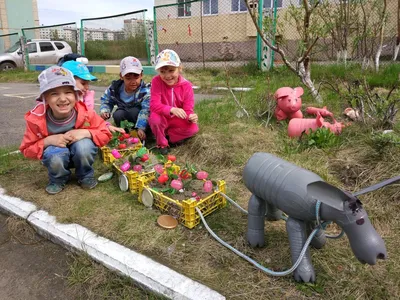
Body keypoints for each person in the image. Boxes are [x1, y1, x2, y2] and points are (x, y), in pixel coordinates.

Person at [20, 66, 112, 195]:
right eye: (54, 93)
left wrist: (86, 133)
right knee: (54, 153)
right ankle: (58, 178)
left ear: (76, 95)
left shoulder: (85, 113)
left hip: (80, 153)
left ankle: (85, 175)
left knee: (84, 145)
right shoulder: (37, 120)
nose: (63, 99)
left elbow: (106, 133)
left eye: (68, 92)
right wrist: (47, 141)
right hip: (57, 156)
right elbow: (26, 150)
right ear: (45, 98)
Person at [149, 49, 199, 154]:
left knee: (193, 129)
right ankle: (162, 144)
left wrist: (191, 117)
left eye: (171, 71)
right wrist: (171, 109)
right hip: (162, 116)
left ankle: (170, 138)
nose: (167, 76)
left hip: (176, 120)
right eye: (162, 72)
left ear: (179, 68)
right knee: (155, 119)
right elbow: (154, 105)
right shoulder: (156, 81)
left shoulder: (187, 86)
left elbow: (188, 110)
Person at [62, 60, 124, 134]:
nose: (87, 87)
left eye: (88, 83)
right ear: (68, 81)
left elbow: (91, 118)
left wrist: (106, 126)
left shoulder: (84, 98)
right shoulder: (60, 102)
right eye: (83, 83)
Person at [99, 56, 150, 140]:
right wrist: (105, 110)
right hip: (123, 112)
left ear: (141, 75)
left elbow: (146, 110)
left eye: (136, 77)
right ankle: (124, 133)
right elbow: (106, 100)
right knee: (118, 114)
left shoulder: (145, 91)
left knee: (134, 112)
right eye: (128, 78)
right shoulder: (115, 88)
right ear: (121, 76)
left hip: (139, 116)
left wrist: (140, 127)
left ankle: (140, 134)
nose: (133, 81)